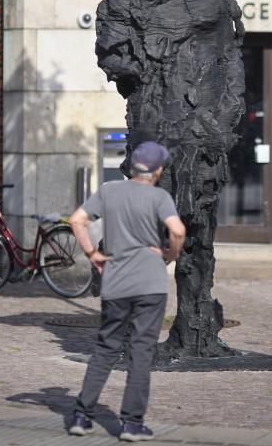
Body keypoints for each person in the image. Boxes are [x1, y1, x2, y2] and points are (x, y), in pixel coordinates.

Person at [67, 141, 186, 442]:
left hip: (116, 281)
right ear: (157, 170)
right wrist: (170, 255)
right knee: (142, 351)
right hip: (150, 282)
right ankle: (132, 424)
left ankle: (82, 415)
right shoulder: (160, 197)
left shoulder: (109, 191)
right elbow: (179, 231)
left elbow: (77, 221)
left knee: (106, 347)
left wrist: (92, 254)